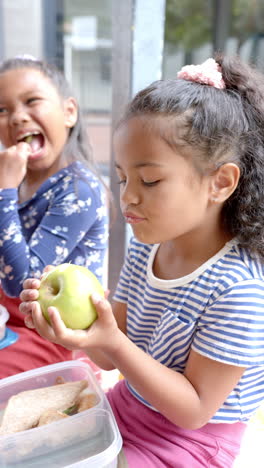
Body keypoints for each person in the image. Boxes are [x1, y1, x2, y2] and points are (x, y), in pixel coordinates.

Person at [20, 54, 264, 468]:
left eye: (149, 180)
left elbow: (194, 410)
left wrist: (113, 342)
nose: (128, 196)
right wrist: (75, 331)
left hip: (189, 443)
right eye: (122, 177)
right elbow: (105, 355)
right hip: (127, 408)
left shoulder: (238, 290)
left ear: (220, 182)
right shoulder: (145, 249)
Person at [0, 56, 109, 378]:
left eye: (31, 101)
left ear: (68, 112)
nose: (17, 117)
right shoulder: (15, 176)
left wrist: (3, 193)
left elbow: (22, 285)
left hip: (52, 332)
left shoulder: (79, 190)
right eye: (2, 110)